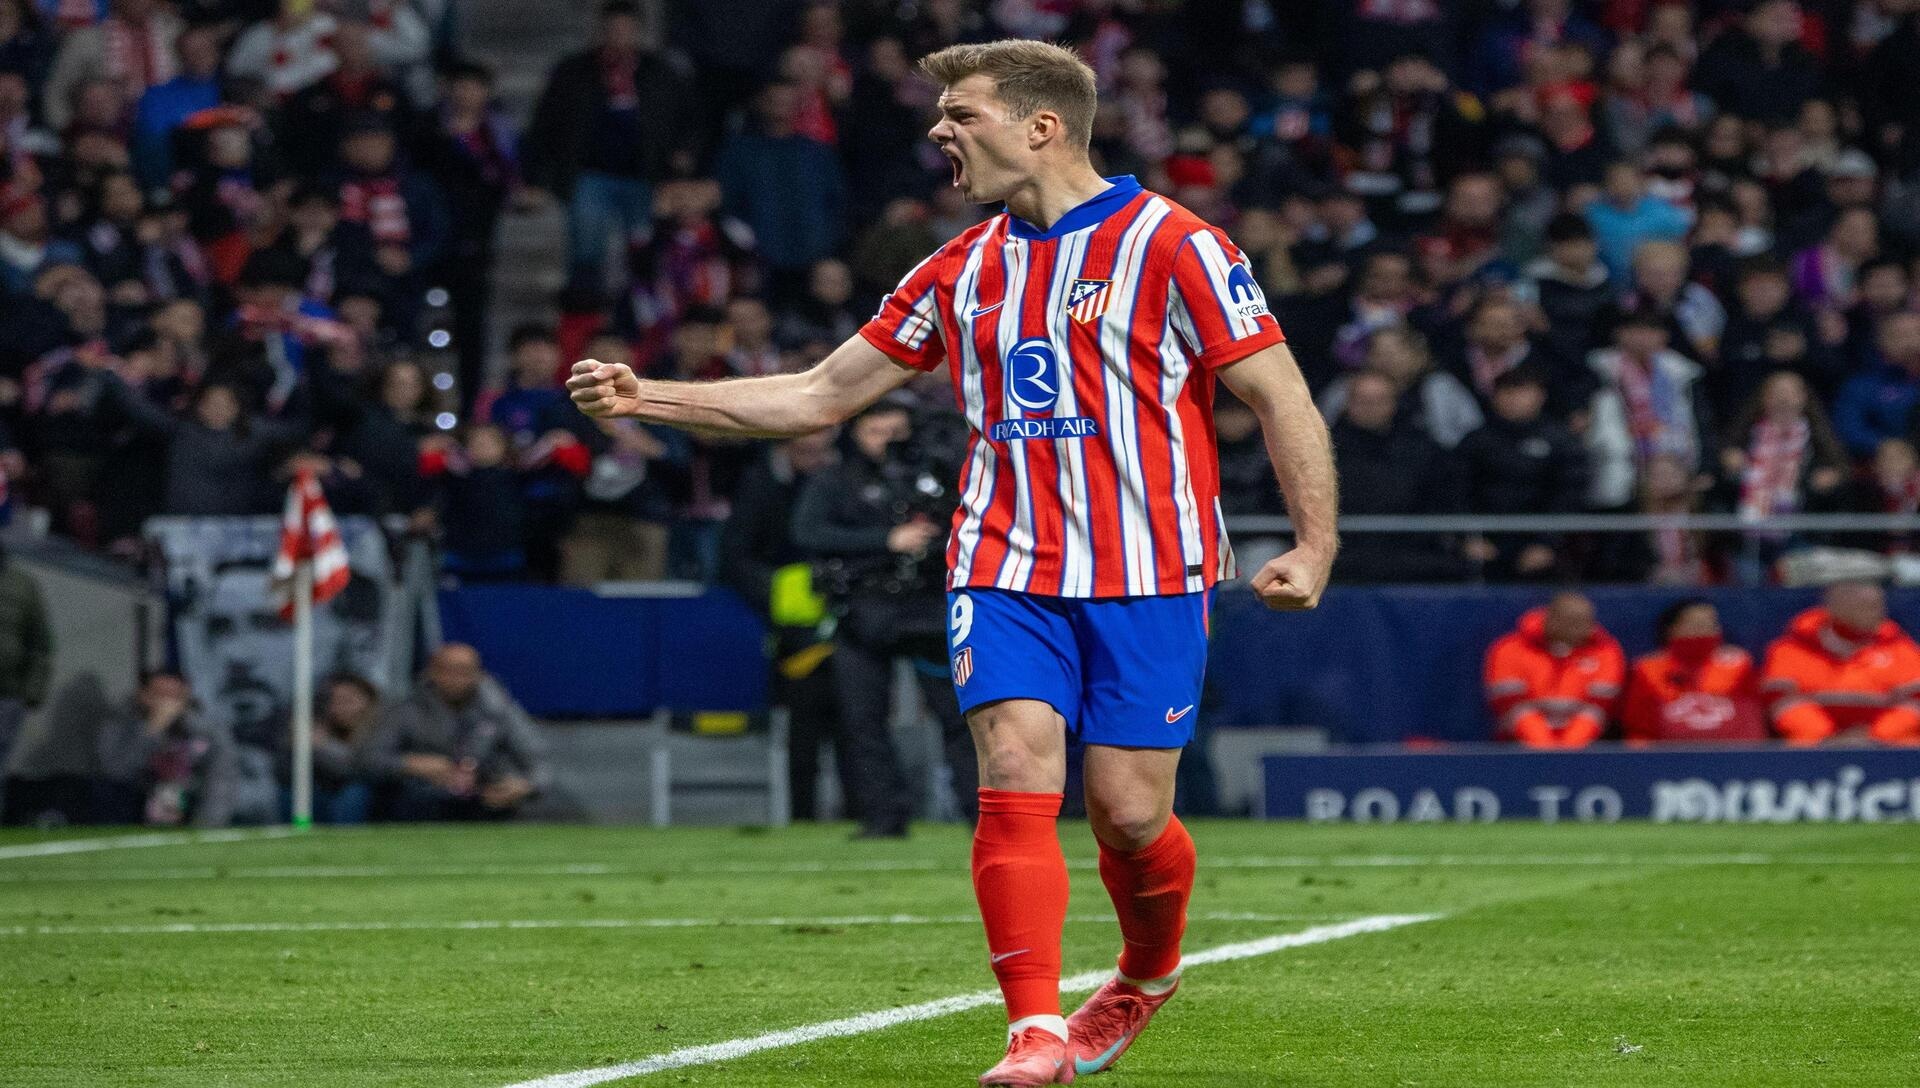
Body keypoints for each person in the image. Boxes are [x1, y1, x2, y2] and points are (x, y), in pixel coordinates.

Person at [568, 40, 1337, 1085]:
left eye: (961, 113)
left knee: (1129, 811)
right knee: (1016, 770)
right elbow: (818, 395)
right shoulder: (960, 263)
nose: (939, 131)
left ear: (1042, 126)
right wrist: (648, 394)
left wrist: (1314, 541)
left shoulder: (1175, 243)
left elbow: (1278, 394)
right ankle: (1032, 1030)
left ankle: (1147, 973)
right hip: (1003, 564)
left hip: (1150, 567)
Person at [792, 400, 974, 837]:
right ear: (855, 433)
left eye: (897, 432)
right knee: (862, 719)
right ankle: (883, 816)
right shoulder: (835, 480)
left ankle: (981, 814)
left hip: (929, 608)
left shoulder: (934, 477)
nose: (889, 443)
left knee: (959, 717)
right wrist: (886, 540)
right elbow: (807, 533)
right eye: (877, 432)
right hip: (864, 609)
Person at [718, 429, 849, 823]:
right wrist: (777, 595)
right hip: (791, 629)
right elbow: (735, 555)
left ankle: (865, 811)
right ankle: (803, 815)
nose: (816, 449)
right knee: (804, 727)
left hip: (848, 618)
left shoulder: (844, 478)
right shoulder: (760, 483)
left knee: (856, 724)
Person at [363, 643, 550, 820]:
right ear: (431, 672)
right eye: (449, 671)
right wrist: (411, 764)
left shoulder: (498, 709)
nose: (457, 679)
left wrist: (525, 785)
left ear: (479, 674)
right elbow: (368, 759)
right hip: (420, 798)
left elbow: (538, 759)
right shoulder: (406, 708)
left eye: (465, 672)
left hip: (481, 797)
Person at [1759, 581, 1920, 746]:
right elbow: (1779, 701)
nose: (1878, 613)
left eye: (1878, 606)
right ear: (1834, 605)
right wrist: (1827, 739)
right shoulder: (1791, 648)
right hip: (1812, 751)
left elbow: (1915, 702)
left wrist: (1874, 737)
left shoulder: (1901, 648)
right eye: (1866, 606)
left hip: (1888, 751)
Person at [1484, 591, 1626, 748]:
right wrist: (1546, 750)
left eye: (1589, 622)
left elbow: (1599, 706)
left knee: (1592, 716)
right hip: (1520, 743)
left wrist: (1567, 751)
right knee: (1520, 715)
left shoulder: (1605, 650)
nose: (1587, 629)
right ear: (1551, 620)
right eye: (1575, 623)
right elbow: (1510, 705)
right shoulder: (1509, 648)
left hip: (1583, 745)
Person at [93, 670, 234, 827]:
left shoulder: (207, 730)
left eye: (175, 696)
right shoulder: (120, 724)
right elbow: (115, 772)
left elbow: (221, 780)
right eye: (161, 694)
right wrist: (151, 732)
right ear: (143, 695)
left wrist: (207, 824)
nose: (168, 702)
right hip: (131, 812)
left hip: (190, 808)